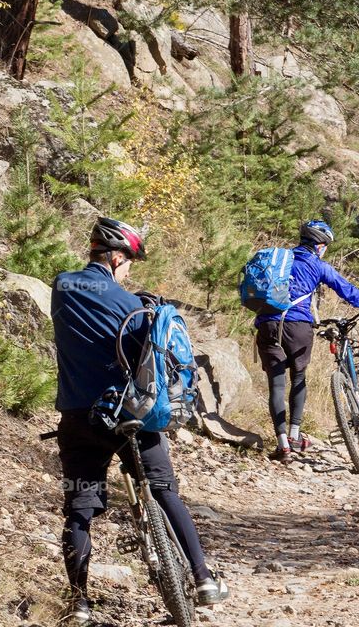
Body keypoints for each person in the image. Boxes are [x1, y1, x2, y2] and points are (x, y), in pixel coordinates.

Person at [51, 217, 229, 624]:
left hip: (78, 418)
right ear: (116, 258)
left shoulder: (61, 286)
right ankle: (202, 578)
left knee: (79, 510)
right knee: (165, 492)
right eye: (129, 261)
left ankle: (78, 602)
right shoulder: (135, 307)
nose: (130, 269)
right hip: (130, 419)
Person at [255, 220, 359, 463]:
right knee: (299, 379)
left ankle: (282, 446)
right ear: (321, 245)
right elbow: (345, 289)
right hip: (297, 326)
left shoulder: (278, 259)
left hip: (267, 323)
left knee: (276, 385)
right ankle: (294, 435)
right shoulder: (317, 265)